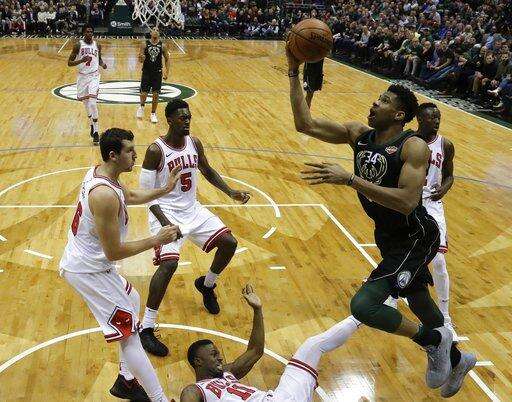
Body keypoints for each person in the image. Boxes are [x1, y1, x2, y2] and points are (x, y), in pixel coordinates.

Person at [286, 45, 475, 397]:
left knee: (364, 306)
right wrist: (294, 70)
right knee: (418, 299)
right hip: (388, 235)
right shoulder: (359, 135)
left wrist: (350, 179)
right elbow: (304, 123)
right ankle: (458, 359)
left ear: (399, 114)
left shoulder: (412, 146)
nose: (374, 103)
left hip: (416, 234)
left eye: (384, 101)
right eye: (377, 98)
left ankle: (432, 341)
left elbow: (406, 202)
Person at [59, 128, 182, 401]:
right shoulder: (103, 195)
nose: (136, 154)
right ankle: (159, 399)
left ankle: (126, 380)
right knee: (128, 335)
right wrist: (157, 239)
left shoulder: (102, 174)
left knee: (133, 298)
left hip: (91, 264)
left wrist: (164, 189)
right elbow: (114, 252)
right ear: (113, 155)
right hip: (87, 271)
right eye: (130, 150)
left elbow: (132, 197)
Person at [138, 99, 251, 357]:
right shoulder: (156, 150)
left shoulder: (194, 143)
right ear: (169, 120)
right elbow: (146, 195)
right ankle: (146, 328)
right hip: (165, 212)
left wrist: (230, 192)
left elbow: (208, 171)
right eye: (182, 117)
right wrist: (166, 223)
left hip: (193, 210)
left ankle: (207, 285)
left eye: (189, 116)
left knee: (229, 243)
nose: (187, 121)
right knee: (169, 264)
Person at [179, 284, 360, 401]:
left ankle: (364, 313)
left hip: (280, 398)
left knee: (312, 346)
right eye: (213, 354)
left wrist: (257, 310)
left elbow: (255, 351)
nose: (220, 358)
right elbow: (188, 396)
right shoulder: (195, 390)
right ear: (198, 361)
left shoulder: (228, 372)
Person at [416, 103, 458, 340]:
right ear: (420, 119)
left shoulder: (446, 144)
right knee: (402, 251)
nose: (437, 120)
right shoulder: (409, 140)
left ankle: (445, 315)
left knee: (439, 261)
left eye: (438, 117)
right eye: (432, 117)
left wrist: (444, 188)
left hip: (433, 204)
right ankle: (392, 294)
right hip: (410, 200)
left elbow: (450, 175)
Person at [67, 24, 107, 145]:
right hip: (82, 77)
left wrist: (103, 64)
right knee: (86, 105)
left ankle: (96, 132)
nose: (89, 33)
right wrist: (81, 60)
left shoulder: (97, 45)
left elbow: (99, 59)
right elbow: (69, 62)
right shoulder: (78, 45)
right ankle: (91, 124)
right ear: (84, 33)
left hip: (94, 76)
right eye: (87, 32)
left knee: (93, 103)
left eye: (91, 32)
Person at [137, 27, 170, 123]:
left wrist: (166, 72)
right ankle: (142, 106)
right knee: (144, 93)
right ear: (150, 32)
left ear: (159, 33)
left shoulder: (163, 46)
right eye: (153, 30)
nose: (155, 31)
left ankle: (153, 113)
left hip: (157, 72)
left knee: (156, 94)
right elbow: (140, 59)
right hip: (146, 71)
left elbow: (167, 59)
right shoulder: (144, 44)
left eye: (157, 30)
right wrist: (141, 58)